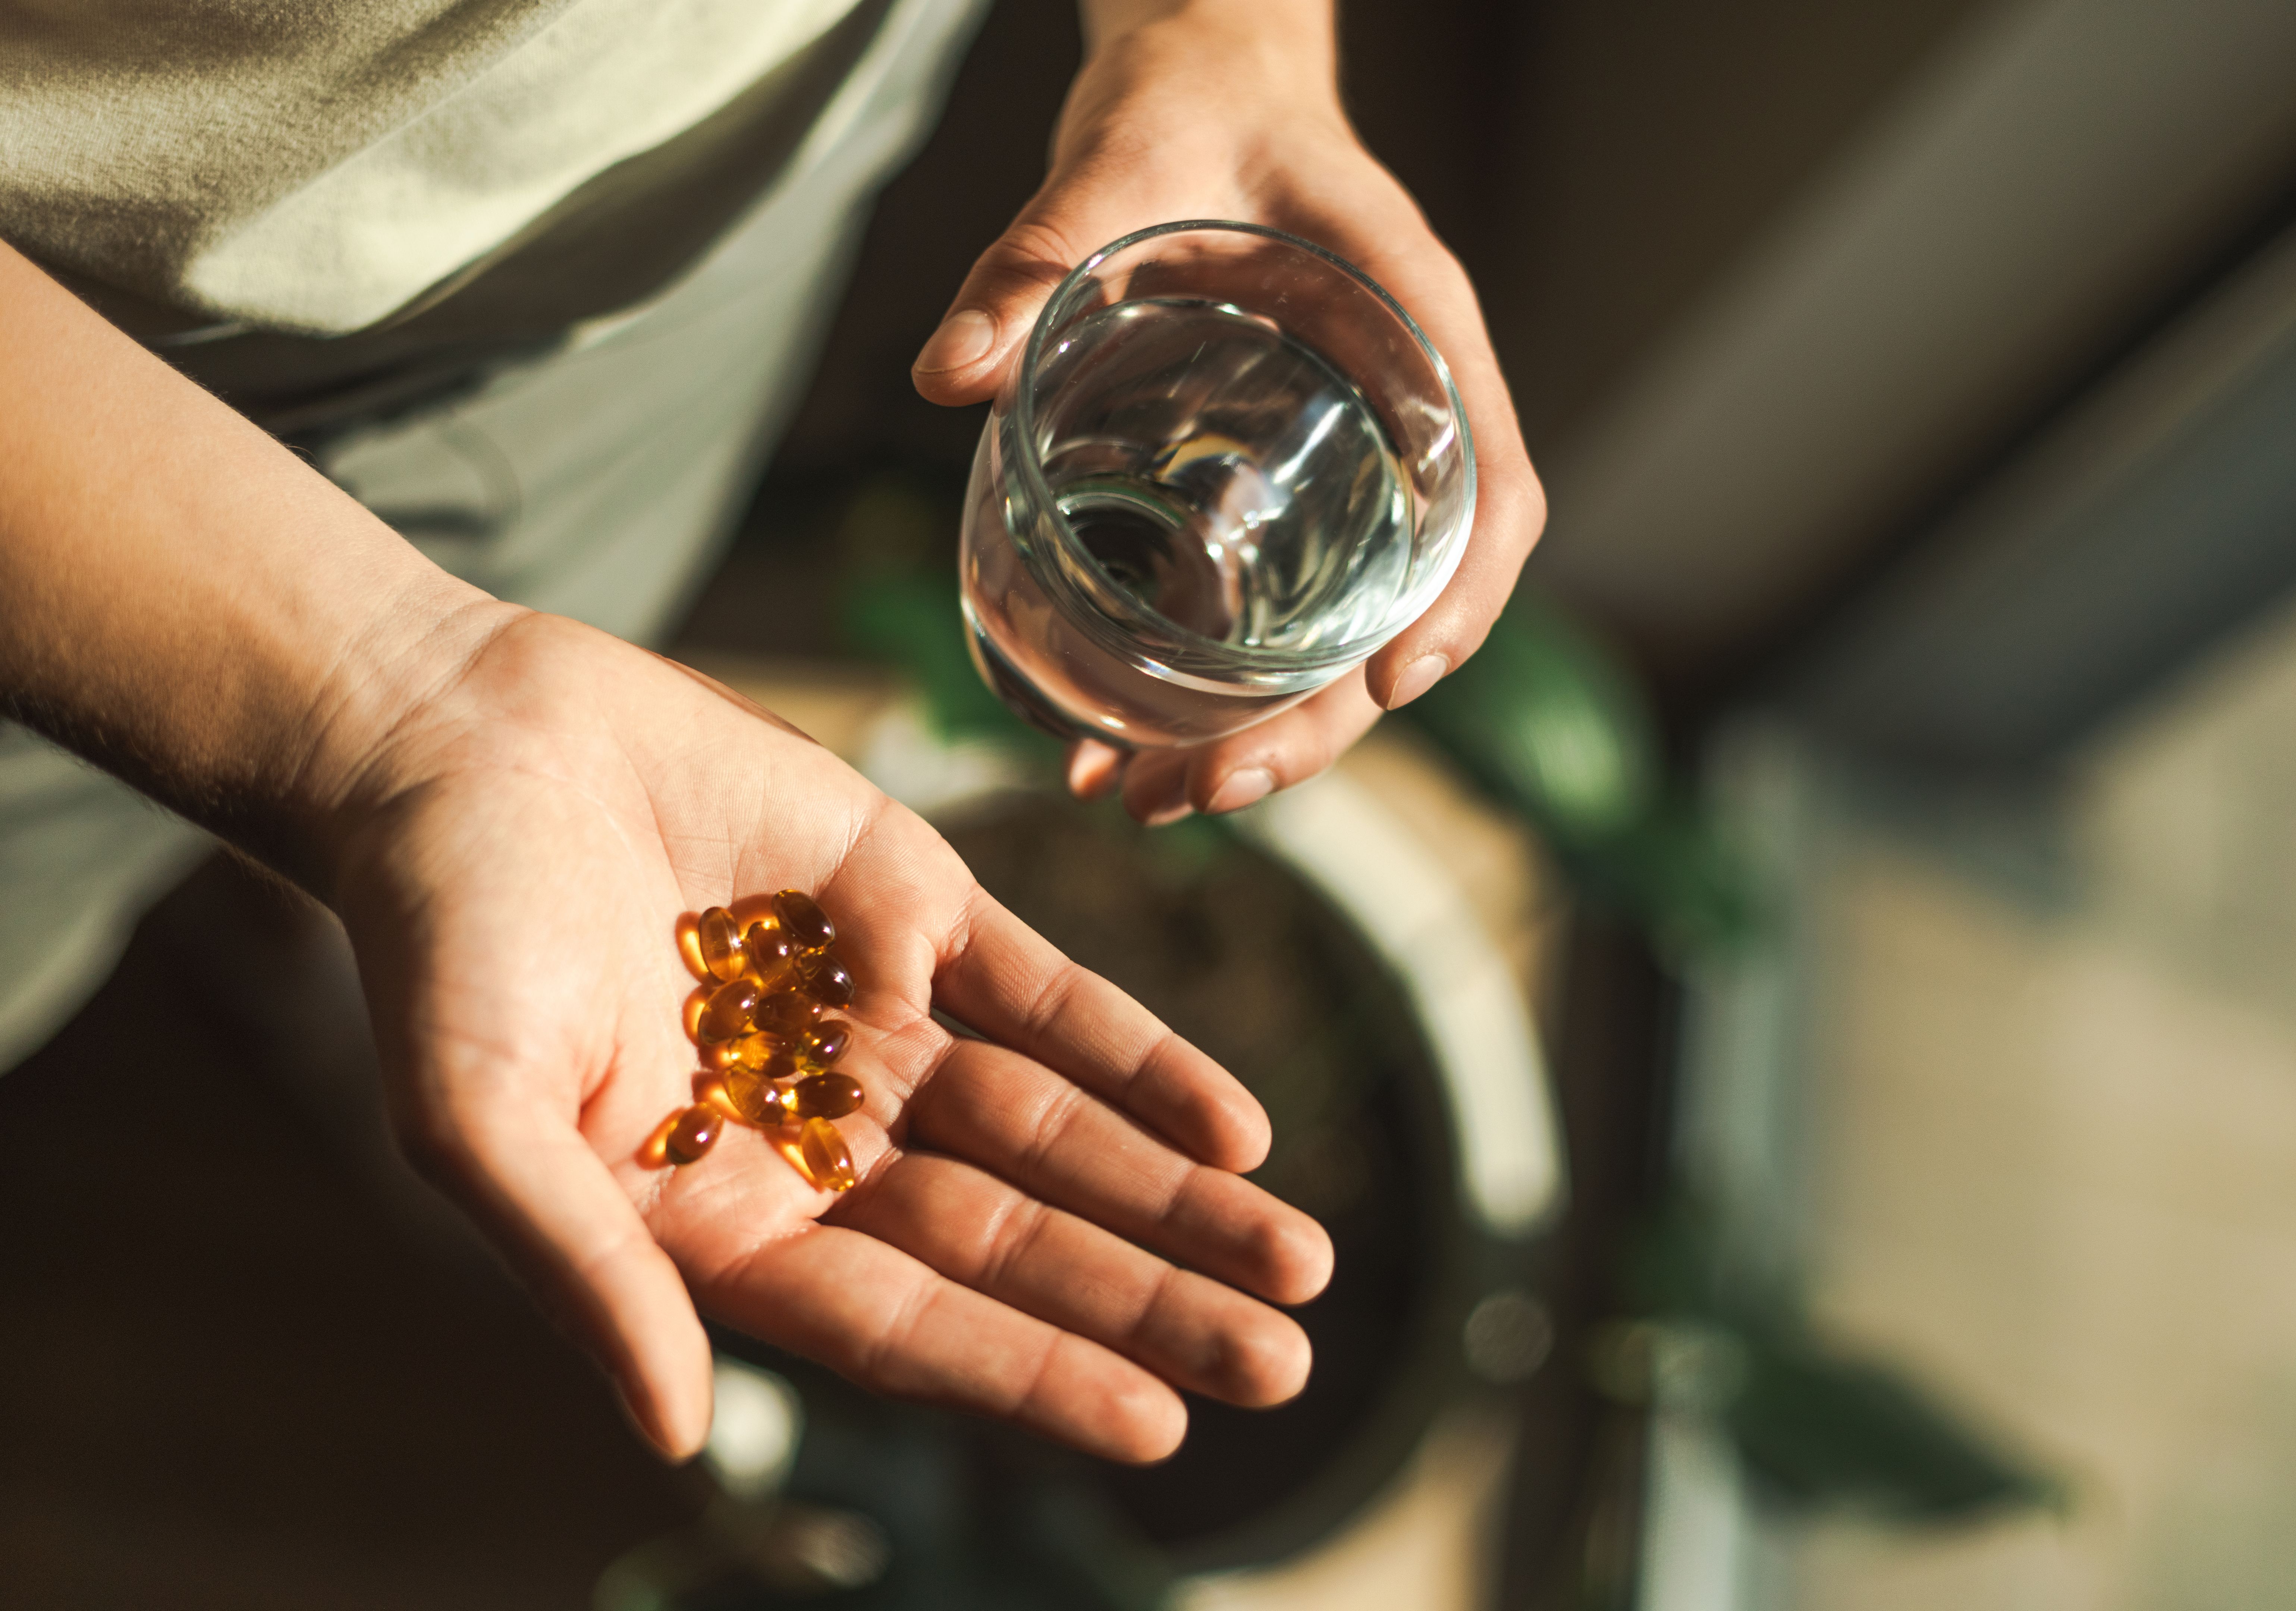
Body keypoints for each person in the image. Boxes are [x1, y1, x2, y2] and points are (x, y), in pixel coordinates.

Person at [0, 0, 1544, 1465]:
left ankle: (275, 941)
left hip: (686, 255)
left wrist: (1229, 48)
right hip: (72, 401)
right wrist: (384, 706)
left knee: (546, 642)